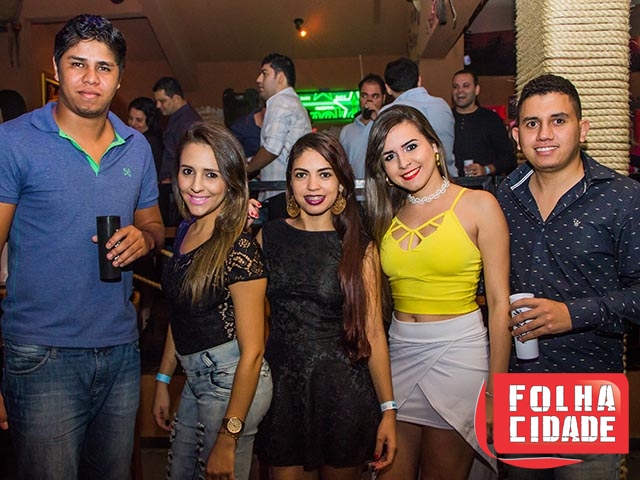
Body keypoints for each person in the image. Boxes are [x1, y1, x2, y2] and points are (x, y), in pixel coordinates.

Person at [0, 14, 164, 479]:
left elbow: (153, 223)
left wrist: (145, 238)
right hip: (40, 354)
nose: (91, 78)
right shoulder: (13, 141)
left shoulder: (136, 146)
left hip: (120, 351)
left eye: (104, 67)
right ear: (57, 68)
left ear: (120, 77)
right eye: (78, 64)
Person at [497, 74, 640, 479]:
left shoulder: (623, 197)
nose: (544, 134)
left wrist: (571, 315)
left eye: (558, 121)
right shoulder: (503, 197)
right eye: (532, 123)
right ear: (517, 135)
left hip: (590, 390)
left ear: (583, 129)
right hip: (520, 388)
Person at [364, 105, 511, 479]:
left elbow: (499, 305)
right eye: (390, 156)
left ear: (434, 146)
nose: (403, 162)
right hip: (400, 355)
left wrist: (495, 393)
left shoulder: (480, 205)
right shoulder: (384, 215)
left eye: (411, 146)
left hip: (458, 357)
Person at [255, 132, 397, 479]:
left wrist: (388, 410)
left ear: (342, 184)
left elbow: (374, 333)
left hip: (343, 394)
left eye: (324, 174)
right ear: (290, 184)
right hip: (282, 394)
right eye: (301, 174)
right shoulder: (268, 237)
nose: (312, 185)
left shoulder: (359, 248)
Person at [152, 122, 272, 480]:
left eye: (211, 174)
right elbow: (181, 312)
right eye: (188, 171)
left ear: (231, 181)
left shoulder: (239, 248)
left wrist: (228, 438)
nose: (196, 185)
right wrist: (163, 378)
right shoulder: (187, 230)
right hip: (195, 377)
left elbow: (253, 352)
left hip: (233, 381)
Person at [248, 53, 311, 211]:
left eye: (264, 73)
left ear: (281, 77)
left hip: (281, 192)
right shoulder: (292, 102)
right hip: (289, 190)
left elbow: (272, 148)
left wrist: (247, 170)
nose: (258, 79)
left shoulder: (280, 102)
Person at [381, 57, 457, 178]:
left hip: (411, 179)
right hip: (449, 178)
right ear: (419, 80)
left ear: (388, 89)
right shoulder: (442, 105)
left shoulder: (388, 113)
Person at [153, 76, 202, 226]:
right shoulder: (178, 118)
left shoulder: (188, 122)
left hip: (176, 188)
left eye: (162, 101)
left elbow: (191, 157)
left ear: (176, 98)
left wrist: (172, 177)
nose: (158, 106)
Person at [451, 69, 516, 178]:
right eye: (455, 87)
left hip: (484, 186)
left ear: (476, 90)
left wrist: (486, 169)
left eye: (466, 86)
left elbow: (509, 158)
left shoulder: (491, 119)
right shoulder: (446, 118)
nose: (460, 91)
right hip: (451, 185)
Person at [339, 73, 387, 179]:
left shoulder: (387, 127)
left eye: (375, 96)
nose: (369, 101)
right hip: (356, 187)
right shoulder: (347, 131)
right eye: (364, 96)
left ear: (383, 98)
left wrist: (378, 119)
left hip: (381, 186)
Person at [128, 96, 164, 177]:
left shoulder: (150, 143)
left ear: (150, 121)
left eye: (139, 120)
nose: (133, 123)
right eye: (130, 118)